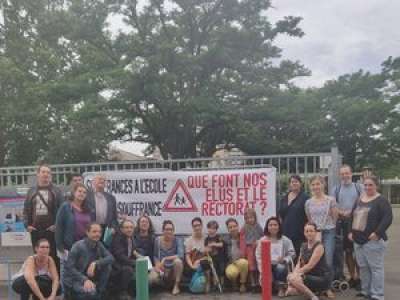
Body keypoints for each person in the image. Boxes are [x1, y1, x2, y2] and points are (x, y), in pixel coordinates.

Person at [349, 176, 393, 300]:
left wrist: (377, 233)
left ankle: (377, 294)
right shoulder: (359, 199)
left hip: (373, 241)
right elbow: (352, 217)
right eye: (366, 185)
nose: (367, 187)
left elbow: (388, 218)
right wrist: (351, 232)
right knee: (363, 267)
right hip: (358, 240)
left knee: (375, 268)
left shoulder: (381, 200)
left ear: (376, 186)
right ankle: (366, 291)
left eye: (370, 185)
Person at [23, 164, 64, 269]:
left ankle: (55, 283)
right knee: (38, 258)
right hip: (36, 231)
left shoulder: (56, 191)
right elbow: (26, 210)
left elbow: (63, 210)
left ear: (50, 175)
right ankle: (40, 281)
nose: (46, 174)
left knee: (53, 258)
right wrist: (27, 225)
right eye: (43, 172)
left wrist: (57, 226)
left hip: (52, 231)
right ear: (38, 174)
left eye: (48, 172)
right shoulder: (31, 191)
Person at [305, 175, 338, 298]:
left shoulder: (331, 200)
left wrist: (329, 226)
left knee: (328, 260)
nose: (316, 186)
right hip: (314, 233)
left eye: (318, 184)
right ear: (310, 186)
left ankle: (327, 287)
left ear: (323, 185)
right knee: (315, 260)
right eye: (313, 184)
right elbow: (309, 219)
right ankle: (318, 286)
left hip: (328, 232)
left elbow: (335, 217)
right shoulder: (308, 202)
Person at [55, 183, 92, 291]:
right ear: (74, 192)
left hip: (84, 248)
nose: (82, 194)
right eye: (79, 191)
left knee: (81, 276)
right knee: (66, 276)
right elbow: (59, 227)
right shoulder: (65, 206)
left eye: (84, 192)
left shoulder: (88, 208)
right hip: (68, 248)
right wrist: (60, 247)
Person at [63, 222, 114, 300]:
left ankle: (99, 292)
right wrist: (84, 280)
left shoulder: (99, 244)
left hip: (90, 277)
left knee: (107, 266)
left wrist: (95, 263)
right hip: (75, 279)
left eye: (99, 232)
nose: (97, 234)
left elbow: (111, 258)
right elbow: (69, 268)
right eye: (94, 231)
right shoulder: (78, 246)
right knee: (90, 293)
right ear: (87, 232)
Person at [331, 165, 362, 287]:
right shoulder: (336, 189)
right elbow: (333, 205)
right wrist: (341, 212)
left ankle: (360, 277)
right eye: (342, 174)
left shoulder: (359, 187)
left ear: (351, 173)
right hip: (342, 223)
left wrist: (353, 211)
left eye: (347, 173)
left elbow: (365, 202)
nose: (345, 176)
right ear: (340, 175)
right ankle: (352, 277)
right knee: (348, 251)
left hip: (358, 222)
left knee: (358, 251)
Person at [286, 223, 330, 300]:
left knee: (293, 279)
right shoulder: (303, 245)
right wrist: (294, 274)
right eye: (306, 231)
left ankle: (313, 297)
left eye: (311, 231)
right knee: (290, 281)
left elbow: (310, 265)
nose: (309, 233)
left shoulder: (319, 246)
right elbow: (299, 263)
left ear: (316, 232)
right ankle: (313, 293)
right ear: (304, 233)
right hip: (306, 275)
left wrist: (295, 275)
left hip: (320, 277)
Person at [256, 217, 295, 297]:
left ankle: (281, 288)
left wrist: (284, 259)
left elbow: (292, 253)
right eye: (270, 225)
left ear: (279, 226)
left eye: (275, 225)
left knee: (280, 268)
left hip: (280, 266)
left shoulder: (286, 240)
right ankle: (272, 286)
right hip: (267, 266)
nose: (273, 227)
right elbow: (258, 256)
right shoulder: (262, 240)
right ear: (267, 227)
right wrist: (263, 269)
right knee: (267, 284)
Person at [279, 175, 309, 258]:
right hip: (286, 233)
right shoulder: (284, 198)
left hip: (299, 233)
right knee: (287, 256)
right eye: (292, 182)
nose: (294, 183)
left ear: (300, 184)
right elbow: (281, 215)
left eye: (296, 181)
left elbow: (308, 215)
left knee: (298, 257)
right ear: (289, 184)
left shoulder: (305, 198)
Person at [153, 220, 184, 295]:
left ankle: (176, 286)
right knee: (152, 279)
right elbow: (155, 256)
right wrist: (158, 264)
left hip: (173, 270)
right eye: (167, 229)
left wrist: (165, 258)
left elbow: (181, 255)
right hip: (162, 269)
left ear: (173, 231)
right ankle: (163, 285)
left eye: (171, 229)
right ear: (163, 230)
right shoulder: (157, 240)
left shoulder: (178, 240)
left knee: (178, 261)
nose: (169, 231)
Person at [110, 219, 137, 300]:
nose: (129, 229)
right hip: (116, 265)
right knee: (128, 269)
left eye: (131, 227)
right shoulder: (118, 238)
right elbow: (120, 256)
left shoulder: (131, 238)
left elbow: (132, 252)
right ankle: (122, 292)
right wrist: (134, 263)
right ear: (121, 229)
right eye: (126, 227)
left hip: (125, 263)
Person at [184, 217, 211, 293]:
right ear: (192, 227)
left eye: (198, 225)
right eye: (195, 226)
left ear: (202, 225)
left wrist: (199, 260)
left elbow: (209, 254)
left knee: (205, 262)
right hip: (192, 265)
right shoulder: (189, 240)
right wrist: (192, 265)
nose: (197, 227)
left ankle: (208, 283)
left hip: (204, 263)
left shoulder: (207, 238)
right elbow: (187, 256)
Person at [240, 207, 263, 292]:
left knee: (258, 266)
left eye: (251, 218)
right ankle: (253, 284)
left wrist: (259, 241)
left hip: (257, 248)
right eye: (247, 218)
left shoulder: (258, 226)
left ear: (255, 217)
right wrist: (243, 252)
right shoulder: (244, 228)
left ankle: (259, 283)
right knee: (251, 267)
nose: (250, 220)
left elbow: (263, 236)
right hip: (249, 249)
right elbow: (242, 241)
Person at [224, 218, 248, 293]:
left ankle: (242, 284)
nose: (233, 229)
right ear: (228, 229)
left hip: (243, 261)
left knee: (243, 262)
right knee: (231, 273)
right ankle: (234, 284)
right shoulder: (225, 240)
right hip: (231, 263)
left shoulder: (244, 237)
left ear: (238, 226)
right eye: (230, 227)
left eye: (234, 226)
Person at [133, 215, 159, 285]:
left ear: (149, 224)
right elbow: (133, 252)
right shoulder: (133, 237)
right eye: (142, 222)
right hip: (137, 266)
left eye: (146, 222)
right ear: (138, 224)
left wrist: (154, 267)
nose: (144, 223)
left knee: (152, 279)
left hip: (151, 267)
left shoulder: (154, 238)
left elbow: (156, 254)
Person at [204, 220, 225, 291]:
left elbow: (221, 244)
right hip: (211, 258)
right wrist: (206, 249)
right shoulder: (206, 239)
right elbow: (206, 248)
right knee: (213, 270)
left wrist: (214, 244)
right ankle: (214, 285)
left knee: (221, 271)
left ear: (216, 230)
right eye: (210, 228)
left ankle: (222, 284)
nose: (211, 230)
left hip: (220, 258)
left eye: (213, 228)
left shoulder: (218, 237)